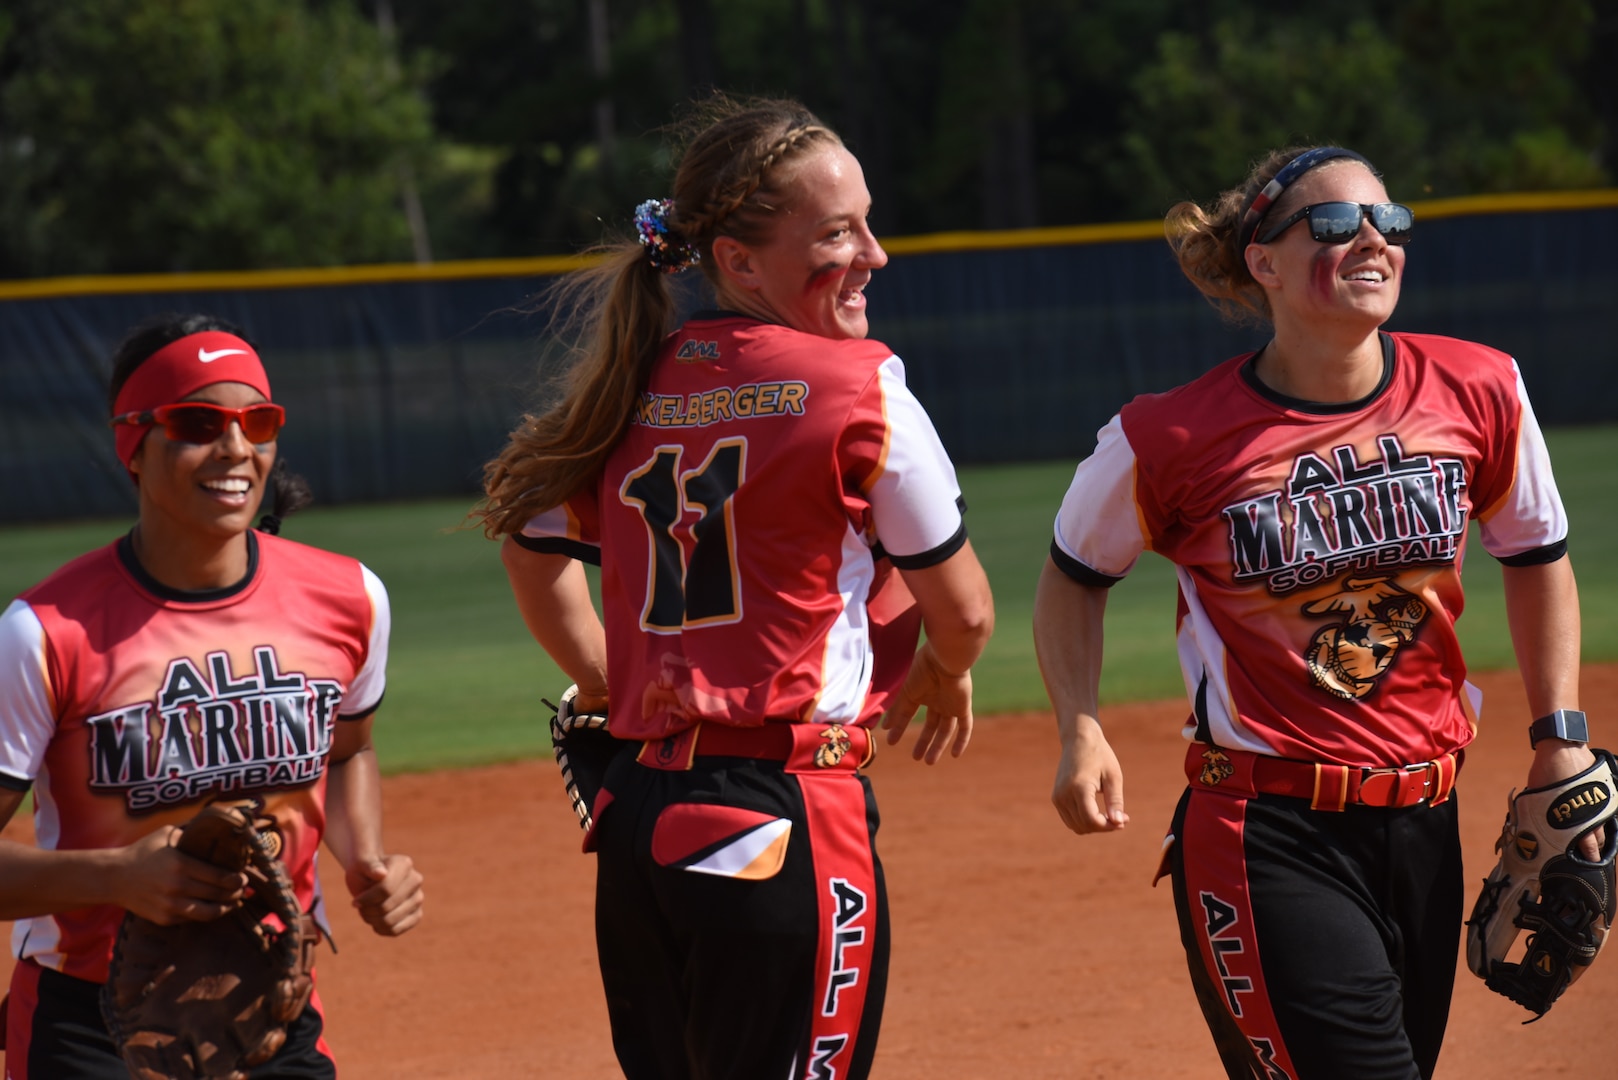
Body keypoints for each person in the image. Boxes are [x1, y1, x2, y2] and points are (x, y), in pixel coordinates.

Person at [1033, 146, 1598, 1079]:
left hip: (1427, 823)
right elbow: (1073, 574)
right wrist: (1079, 725)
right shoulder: (1169, 435)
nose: (1373, 239)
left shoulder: (1481, 386)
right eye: (1336, 224)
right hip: (1267, 834)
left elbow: (1536, 558)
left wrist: (1560, 732)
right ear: (1264, 260)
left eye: (1390, 222)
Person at [479, 97, 993, 1080]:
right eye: (837, 233)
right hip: (783, 809)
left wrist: (600, 681)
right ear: (738, 260)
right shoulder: (859, 385)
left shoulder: (628, 384)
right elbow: (963, 609)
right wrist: (947, 666)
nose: (873, 255)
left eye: (866, 223)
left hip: (636, 818)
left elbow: (528, 549)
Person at [0, 313, 425, 1078]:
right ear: (133, 443)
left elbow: (350, 749)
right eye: (198, 423)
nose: (235, 448)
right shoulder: (45, 632)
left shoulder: (349, 597)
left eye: (256, 422)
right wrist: (118, 875)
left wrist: (365, 859)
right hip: (91, 1022)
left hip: (269, 1007)